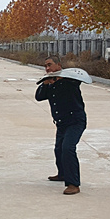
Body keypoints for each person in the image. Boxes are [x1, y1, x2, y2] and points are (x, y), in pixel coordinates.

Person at [35, 55, 87, 195]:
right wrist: (46, 84)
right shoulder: (49, 83)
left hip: (75, 121)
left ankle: (73, 184)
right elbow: (39, 97)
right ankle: (62, 174)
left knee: (68, 148)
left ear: (58, 65)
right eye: (45, 66)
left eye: (49, 65)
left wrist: (59, 79)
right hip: (62, 123)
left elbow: (78, 80)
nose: (47, 68)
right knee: (58, 149)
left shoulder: (70, 80)